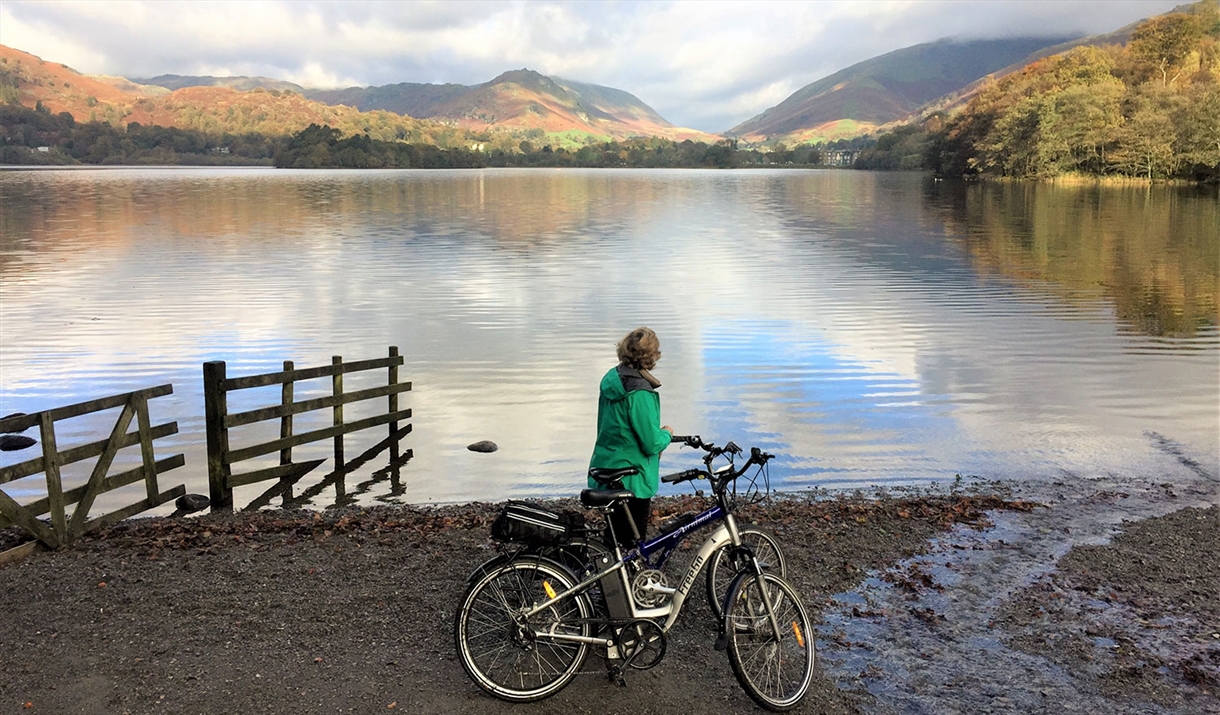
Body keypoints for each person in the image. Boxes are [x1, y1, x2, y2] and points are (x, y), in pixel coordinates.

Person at [588, 326, 673, 548]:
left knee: (613, 541)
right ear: (651, 356)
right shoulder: (639, 392)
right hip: (632, 477)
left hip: (606, 465)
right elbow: (651, 442)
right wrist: (667, 434)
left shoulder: (612, 379)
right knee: (631, 545)